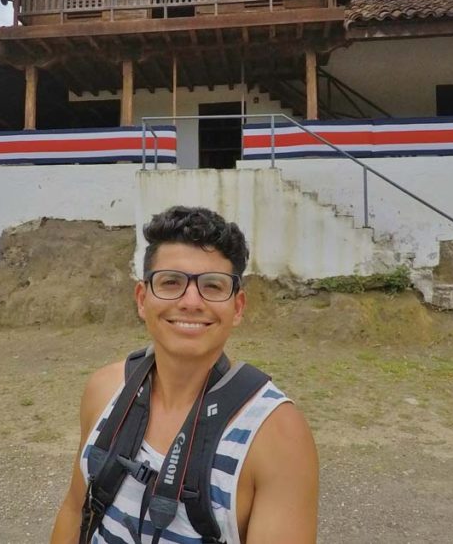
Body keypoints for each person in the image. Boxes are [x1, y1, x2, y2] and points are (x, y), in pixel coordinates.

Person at [50, 206, 318, 544]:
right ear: (142, 299)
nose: (191, 301)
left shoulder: (276, 436)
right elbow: (76, 510)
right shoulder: (104, 391)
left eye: (213, 286)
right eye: (171, 282)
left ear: (237, 307)